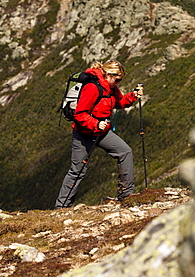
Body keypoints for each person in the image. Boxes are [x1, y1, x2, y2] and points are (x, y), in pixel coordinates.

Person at [55, 60, 143, 208]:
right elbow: (80, 114)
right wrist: (95, 123)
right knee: (77, 171)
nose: (118, 82)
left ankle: (126, 195)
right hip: (84, 134)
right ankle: (61, 208)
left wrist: (133, 96)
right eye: (117, 79)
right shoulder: (92, 88)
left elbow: (119, 102)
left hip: (102, 132)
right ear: (108, 74)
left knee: (124, 151)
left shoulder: (111, 87)